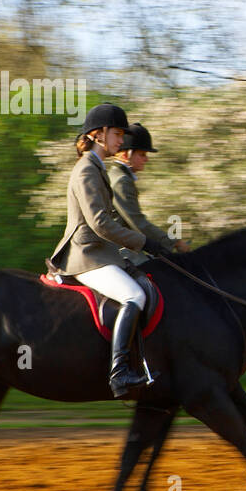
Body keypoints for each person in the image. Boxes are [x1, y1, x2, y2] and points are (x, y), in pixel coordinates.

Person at [47, 103, 156, 399]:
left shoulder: (97, 168)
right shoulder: (86, 169)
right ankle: (119, 373)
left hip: (100, 252)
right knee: (134, 295)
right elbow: (99, 223)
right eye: (117, 133)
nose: (122, 141)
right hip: (86, 255)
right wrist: (141, 241)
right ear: (98, 134)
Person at [108, 122, 189, 265]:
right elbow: (138, 223)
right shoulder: (121, 181)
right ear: (126, 155)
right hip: (118, 251)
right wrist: (174, 243)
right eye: (142, 154)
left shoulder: (117, 176)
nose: (146, 159)